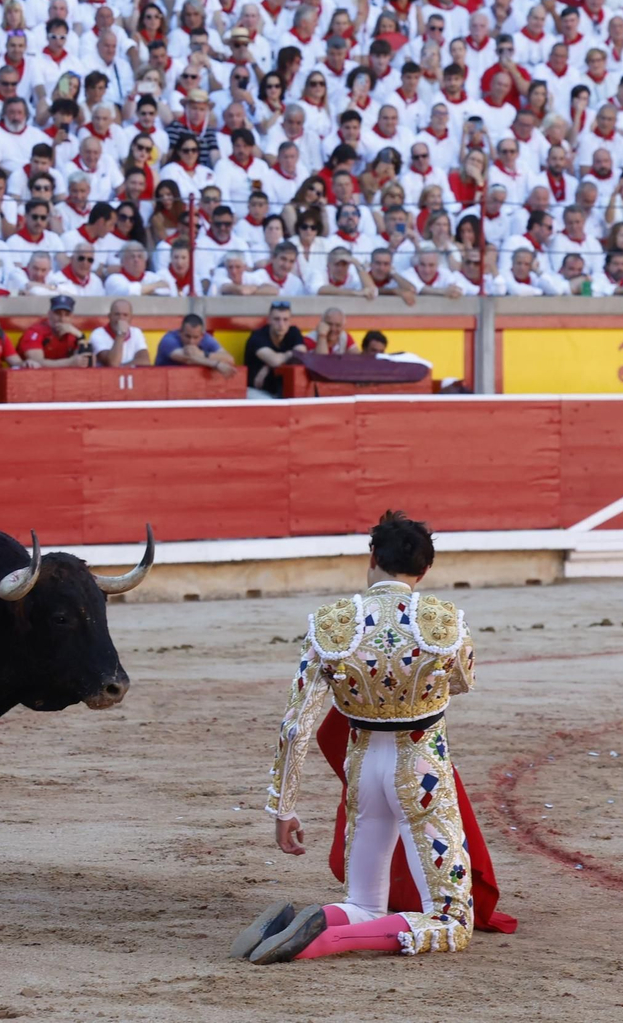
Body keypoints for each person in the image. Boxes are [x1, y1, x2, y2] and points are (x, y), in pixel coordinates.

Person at [239, 510, 512, 965]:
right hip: (421, 768)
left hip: (363, 767)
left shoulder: (331, 623)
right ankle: (322, 941)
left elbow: (296, 725)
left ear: (372, 557)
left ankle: (307, 922)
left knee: (365, 902)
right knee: (450, 921)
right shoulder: (445, 623)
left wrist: (283, 808)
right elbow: (464, 680)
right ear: (425, 570)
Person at [244, 301, 309, 399]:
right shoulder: (258, 336)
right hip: (257, 391)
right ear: (269, 320)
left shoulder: (293, 332)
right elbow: (274, 361)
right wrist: (288, 355)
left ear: (290, 321)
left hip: (286, 391)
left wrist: (267, 367)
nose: (281, 324)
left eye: (285, 319)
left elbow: (301, 355)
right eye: (276, 319)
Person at [16, 295, 91, 368]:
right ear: (49, 314)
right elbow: (37, 363)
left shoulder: (74, 333)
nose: (62, 319)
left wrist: (80, 336)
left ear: (72, 317)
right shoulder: (35, 331)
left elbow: (88, 363)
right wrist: (69, 362)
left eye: (67, 315)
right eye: (58, 314)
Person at [155, 313, 237, 377]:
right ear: (180, 332)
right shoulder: (168, 340)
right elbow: (188, 359)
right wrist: (216, 364)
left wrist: (202, 354)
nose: (191, 341)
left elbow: (229, 359)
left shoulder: (206, 339)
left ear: (202, 335)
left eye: (195, 337)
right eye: (187, 336)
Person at [90, 299, 151, 367]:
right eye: (117, 314)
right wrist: (120, 334)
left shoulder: (136, 332)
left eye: (125, 315)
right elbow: (113, 363)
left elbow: (145, 361)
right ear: (109, 316)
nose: (121, 318)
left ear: (131, 318)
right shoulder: (98, 334)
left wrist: (122, 367)